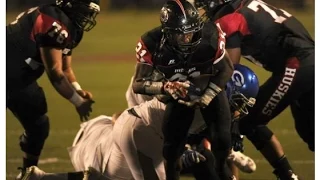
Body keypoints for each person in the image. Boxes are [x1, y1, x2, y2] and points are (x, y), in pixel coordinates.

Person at [193, 0, 314, 179]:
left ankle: (287, 175)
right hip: (308, 61)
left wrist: (232, 124)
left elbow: (230, 75)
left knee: (246, 120)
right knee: (310, 132)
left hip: (297, 64)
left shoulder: (228, 17)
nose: (203, 9)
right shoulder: (245, 5)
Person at [131, 0, 234, 179]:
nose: (189, 38)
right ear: (168, 32)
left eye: (192, 32)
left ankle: (222, 173)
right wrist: (165, 87)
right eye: (182, 35)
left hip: (208, 87)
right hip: (179, 96)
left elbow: (226, 69)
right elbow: (138, 84)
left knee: (223, 142)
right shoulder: (152, 43)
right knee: (171, 151)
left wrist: (208, 95)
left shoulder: (210, 36)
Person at [6, 0, 99, 178]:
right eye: (85, 11)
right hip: (8, 71)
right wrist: (78, 102)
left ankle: (28, 173)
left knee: (39, 125)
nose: (87, 17)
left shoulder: (70, 26)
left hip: (20, 78)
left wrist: (77, 89)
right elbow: (55, 72)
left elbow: (65, 69)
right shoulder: (53, 20)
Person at [126, 64, 258, 180]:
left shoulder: (207, 96)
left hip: (169, 133)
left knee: (205, 155)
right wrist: (183, 151)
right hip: (146, 140)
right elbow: (127, 120)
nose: (238, 112)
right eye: (238, 103)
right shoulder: (184, 96)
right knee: (202, 160)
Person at [21, 98, 206, 180]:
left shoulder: (157, 111)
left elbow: (119, 118)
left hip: (95, 136)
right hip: (97, 145)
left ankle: (41, 177)